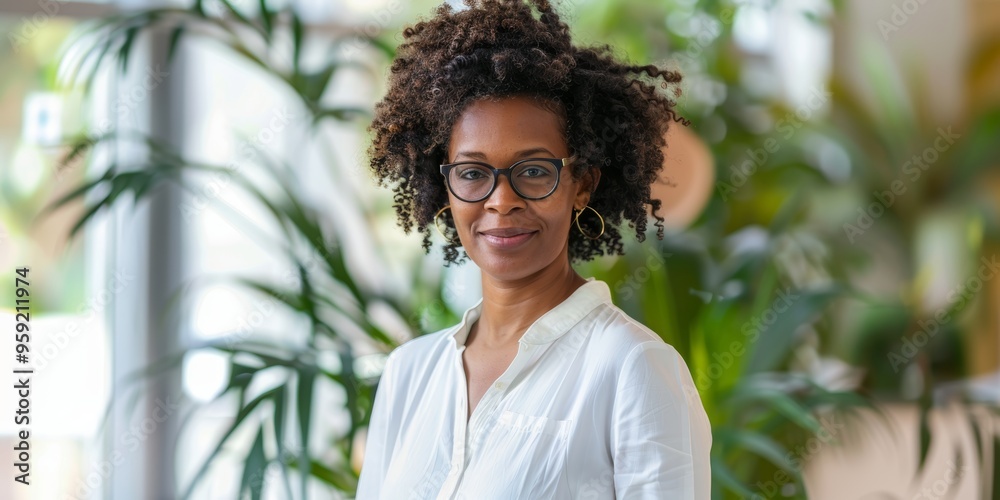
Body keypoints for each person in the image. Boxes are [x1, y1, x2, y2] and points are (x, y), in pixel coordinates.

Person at [357, 1, 711, 498]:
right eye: (473, 173)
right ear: (444, 189)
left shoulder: (632, 367)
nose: (502, 201)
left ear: (581, 185)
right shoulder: (408, 373)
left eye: (534, 171)